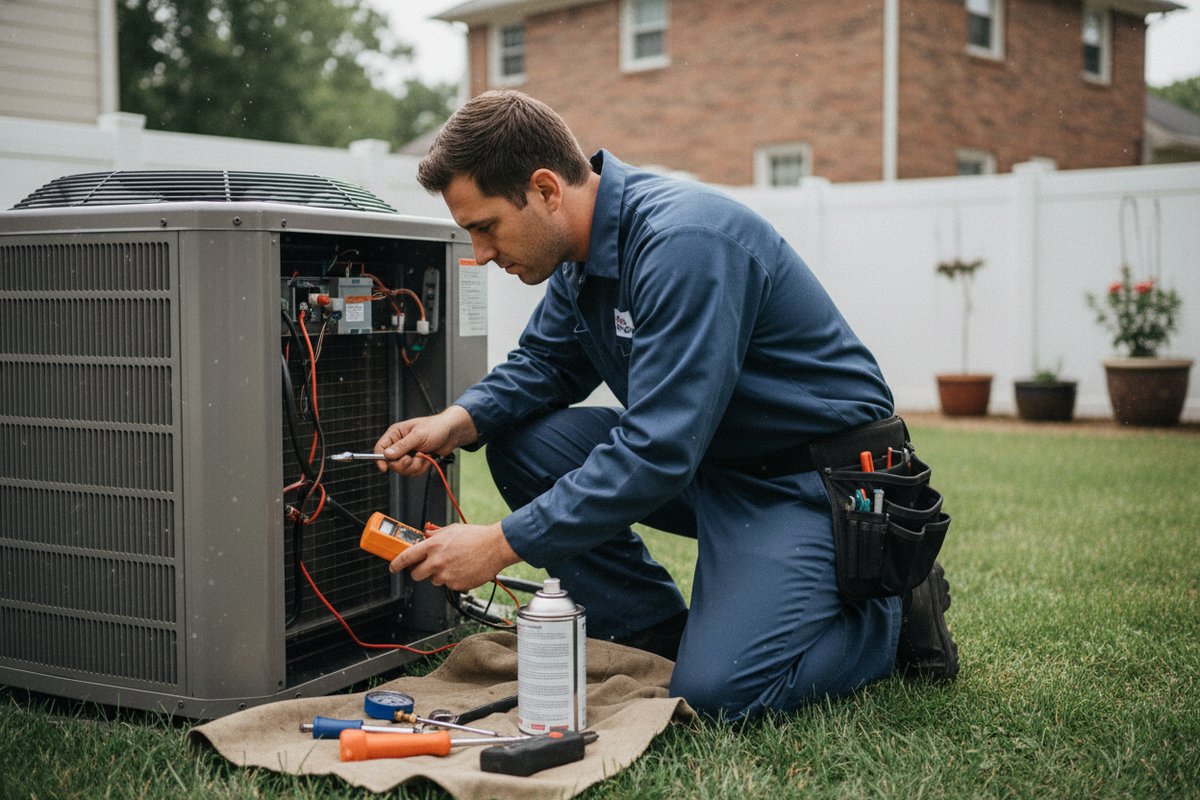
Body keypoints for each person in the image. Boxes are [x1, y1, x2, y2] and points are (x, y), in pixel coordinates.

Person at [374, 89, 957, 720]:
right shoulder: (582, 255)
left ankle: (889, 611)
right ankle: (654, 632)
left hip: (813, 483)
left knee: (721, 696)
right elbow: (545, 364)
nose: (481, 253)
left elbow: (655, 450)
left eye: (485, 227)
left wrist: (500, 542)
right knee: (524, 445)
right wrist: (454, 422)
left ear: (545, 189)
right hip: (719, 464)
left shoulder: (685, 242)